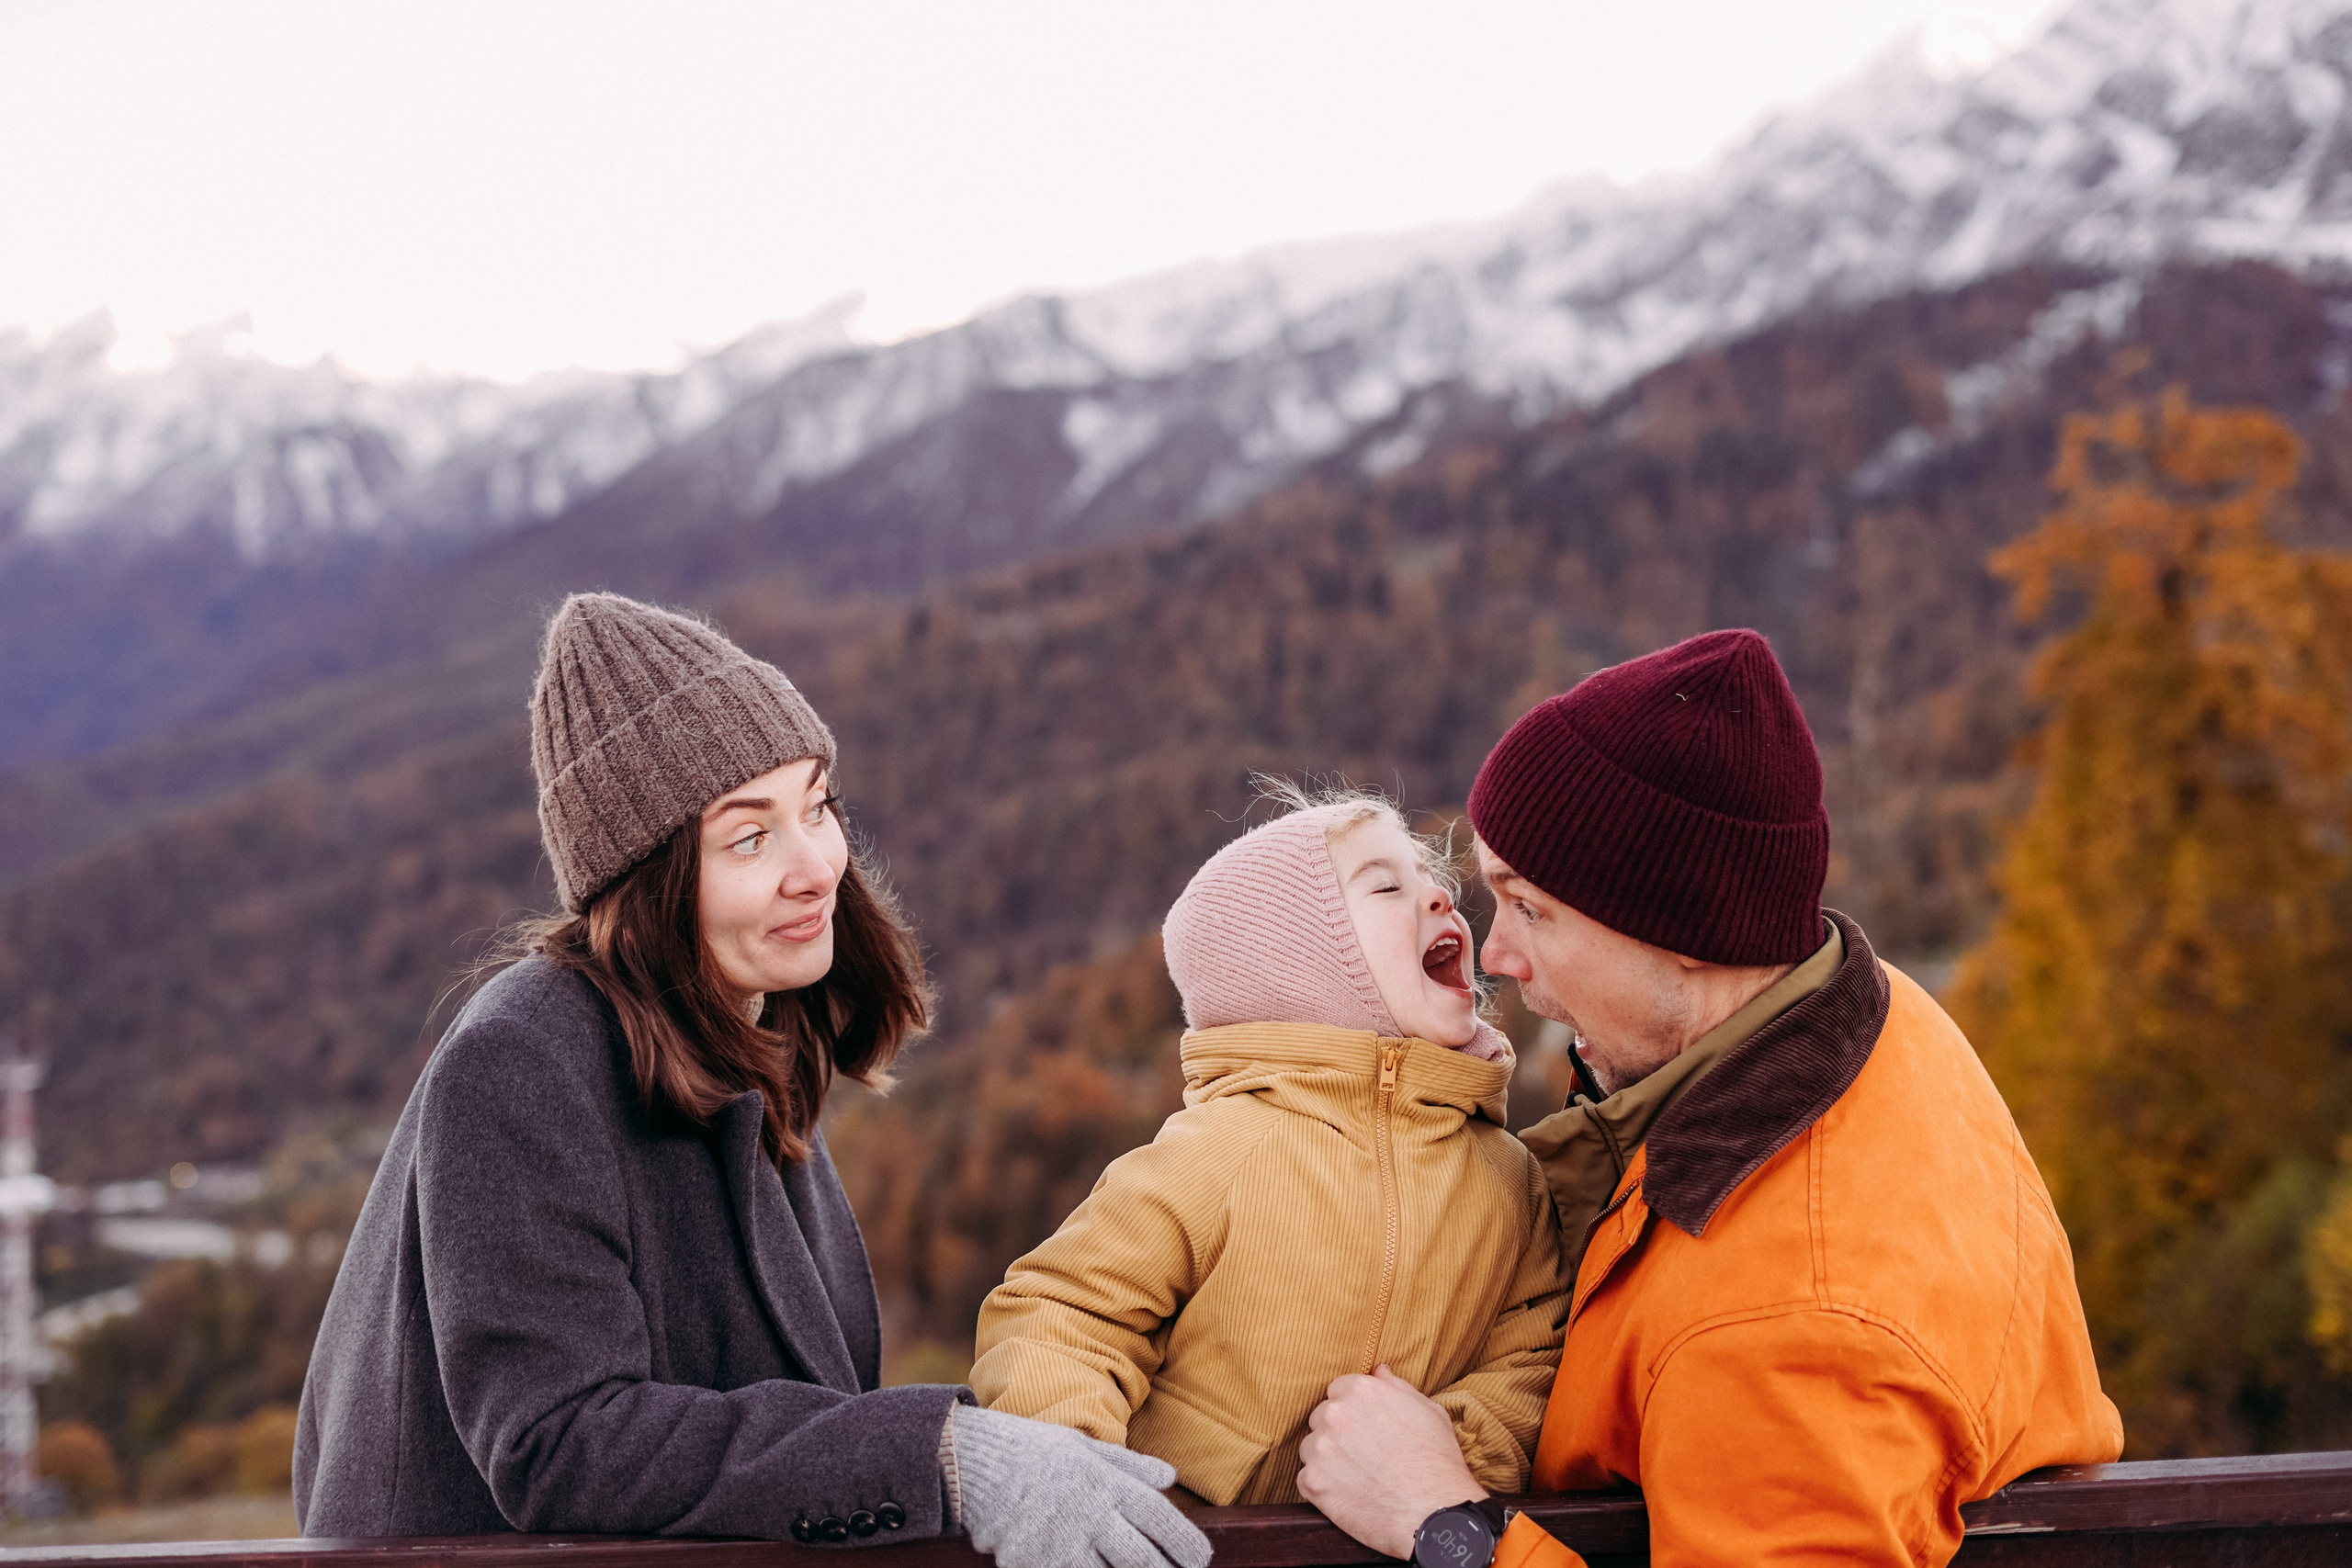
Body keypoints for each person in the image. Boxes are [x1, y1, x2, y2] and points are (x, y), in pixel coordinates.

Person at [295, 592, 1210, 1568]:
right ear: (642, 881)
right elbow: (559, 1441)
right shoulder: (523, 1057)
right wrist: (942, 1454)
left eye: (817, 807)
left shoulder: (751, 1029)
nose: (816, 865)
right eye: (749, 836)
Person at [1296, 629, 2123, 1568]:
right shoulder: (1860, 1015)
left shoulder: (1785, 1328)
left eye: (1530, 909)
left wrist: (1443, 1522)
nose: (1495, 955)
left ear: (1682, 932)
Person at [970, 788, 1564, 1506]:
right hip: (1193, 1544)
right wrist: (1082, 1480)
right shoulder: (1216, 1152)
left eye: (1428, 875)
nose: (1439, 895)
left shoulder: (1510, 1177)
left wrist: (1442, 1461)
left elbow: (1532, 1357)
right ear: (1298, 968)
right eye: (1386, 885)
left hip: (1392, 1543)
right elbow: (1064, 1317)